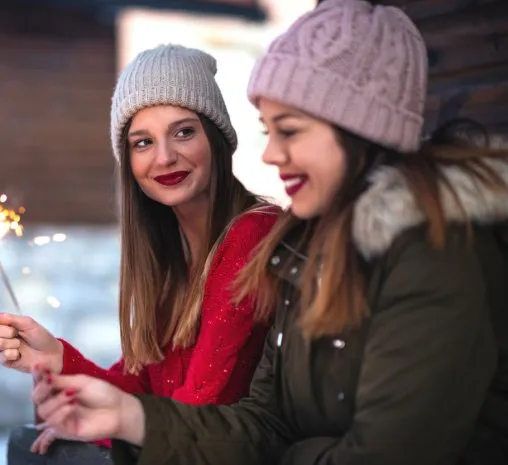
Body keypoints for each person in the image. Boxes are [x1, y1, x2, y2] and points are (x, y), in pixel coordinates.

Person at [27, 1, 508, 464]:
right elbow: (265, 425)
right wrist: (125, 415)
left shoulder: (433, 258)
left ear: (360, 128)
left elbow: (374, 452)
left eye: (291, 131)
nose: (270, 155)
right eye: (142, 142)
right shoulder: (306, 257)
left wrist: (291, 455)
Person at [0, 44, 279, 464]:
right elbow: (140, 390)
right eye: (142, 142)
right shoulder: (170, 257)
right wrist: (57, 359)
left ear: (217, 136)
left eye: (184, 131)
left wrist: (105, 425)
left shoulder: (253, 233)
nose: (165, 156)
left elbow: (198, 411)